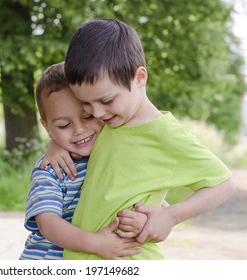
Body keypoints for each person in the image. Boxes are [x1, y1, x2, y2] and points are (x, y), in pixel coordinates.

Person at [43, 19, 236, 260]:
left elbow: (224, 184)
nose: (97, 112)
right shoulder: (108, 121)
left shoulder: (166, 135)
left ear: (140, 77)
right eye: (85, 103)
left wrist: (169, 216)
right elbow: (72, 127)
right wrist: (54, 144)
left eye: (106, 100)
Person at [19, 62, 147, 260]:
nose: (79, 130)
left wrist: (141, 218)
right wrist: (96, 244)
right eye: (64, 125)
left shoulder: (117, 157)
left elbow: (147, 201)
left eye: (87, 117)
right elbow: (48, 223)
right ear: (47, 128)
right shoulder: (51, 168)